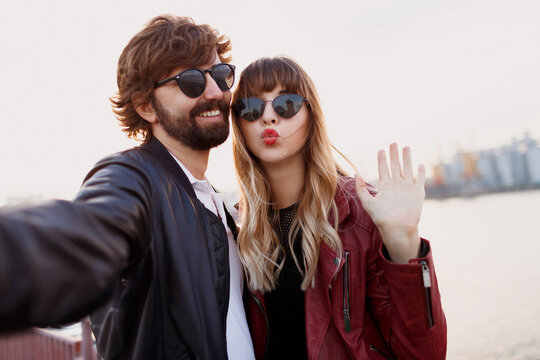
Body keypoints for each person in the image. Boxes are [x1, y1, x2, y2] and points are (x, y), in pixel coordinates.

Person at [0, 15, 255, 360]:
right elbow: (86, 236)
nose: (215, 91)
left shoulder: (214, 202)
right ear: (145, 105)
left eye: (222, 75)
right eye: (191, 81)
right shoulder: (134, 178)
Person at [231, 56, 447, 359]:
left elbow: (422, 354)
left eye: (286, 104)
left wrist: (404, 243)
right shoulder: (238, 227)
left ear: (311, 116)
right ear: (238, 123)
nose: (268, 117)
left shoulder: (361, 212)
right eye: (252, 108)